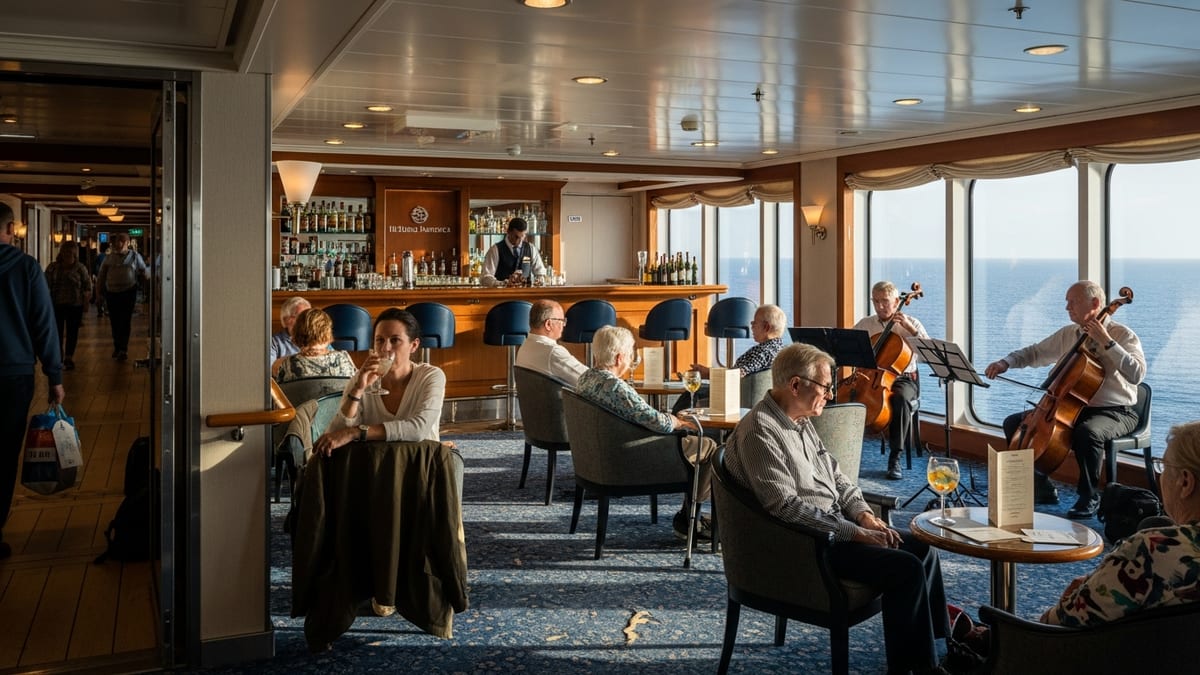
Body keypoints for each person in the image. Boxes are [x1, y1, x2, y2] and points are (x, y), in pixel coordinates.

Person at [724, 342, 949, 675]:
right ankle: (916, 668)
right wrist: (854, 533)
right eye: (825, 387)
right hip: (806, 545)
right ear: (795, 385)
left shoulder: (799, 420)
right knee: (906, 568)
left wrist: (864, 515)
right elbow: (785, 507)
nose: (831, 395)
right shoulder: (760, 431)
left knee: (922, 547)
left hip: (834, 527)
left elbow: (837, 476)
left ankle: (942, 647)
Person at [949, 421, 1200, 660]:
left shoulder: (1151, 551)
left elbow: (1059, 622)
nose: (1160, 475)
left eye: (1163, 466)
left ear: (1185, 482)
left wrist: (1073, 597)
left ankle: (986, 642)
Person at [984, 280, 1145, 519]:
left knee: (1087, 432)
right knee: (1014, 423)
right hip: (1073, 406)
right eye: (1067, 302)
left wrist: (1107, 342)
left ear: (1095, 303)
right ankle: (1041, 485)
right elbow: (1035, 352)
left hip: (1116, 410)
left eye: (1073, 302)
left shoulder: (1122, 335)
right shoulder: (1070, 334)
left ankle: (1089, 496)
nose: (1067, 308)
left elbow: (1137, 374)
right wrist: (1005, 362)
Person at [574, 325, 718, 541]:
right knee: (708, 447)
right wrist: (678, 422)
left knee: (697, 444)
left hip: (600, 455)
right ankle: (689, 519)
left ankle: (690, 516)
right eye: (630, 353)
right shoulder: (615, 386)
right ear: (620, 357)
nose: (631, 358)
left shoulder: (586, 378)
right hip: (631, 457)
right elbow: (656, 422)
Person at [0, 202, 65, 560]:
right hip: (13, 374)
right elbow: (43, 322)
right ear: (11, 229)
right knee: (4, 452)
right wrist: (54, 375)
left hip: (15, 373)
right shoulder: (25, 267)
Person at [315, 308, 446, 455]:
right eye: (380, 340)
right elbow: (335, 435)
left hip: (419, 460)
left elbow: (418, 429)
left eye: (395, 340)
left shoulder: (431, 376)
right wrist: (358, 390)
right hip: (376, 463)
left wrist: (356, 432)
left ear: (413, 345)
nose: (385, 348)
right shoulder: (361, 378)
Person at [852, 280, 930, 480]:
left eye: (885, 301)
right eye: (875, 301)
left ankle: (895, 457)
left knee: (899, 399)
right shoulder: (866, 324)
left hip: (905, 379)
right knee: (850, 396)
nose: (880, 306)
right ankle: (846, 451)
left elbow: (928, 355)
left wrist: (911, 330)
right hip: (874, 377)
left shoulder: (912, 323)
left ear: (896, 302)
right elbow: (850, 346)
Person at [673, 303, 786, 413]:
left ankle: (676, 422)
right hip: (742, 392)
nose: (751, 327)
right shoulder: (781, 349)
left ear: (766, 327)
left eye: (754, 323)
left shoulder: (763, 351)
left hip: (733, 395)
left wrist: (707, 373)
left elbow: (736, 375)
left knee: (691, 393)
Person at [96, 232, 149, 362]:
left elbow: (143, 271)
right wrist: (99, 293)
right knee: (114, 320)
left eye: (122, 241)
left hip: (128, 292)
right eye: (117, 241)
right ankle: (117, 346)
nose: (119, 244)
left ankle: (123, 348)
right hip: (112, 292)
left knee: (125, 320)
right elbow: (101, 276)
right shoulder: (109, 258)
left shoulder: (135, 256)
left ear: (127, 243)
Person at [273, 308, 358, 383]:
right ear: (328, 332)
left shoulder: (288, 364)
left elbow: (280, 394)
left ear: (296, 332)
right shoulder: (343, 358)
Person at [44, 241, 93, 371]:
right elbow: (45, 284)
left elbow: (87, 286)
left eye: (71, 252)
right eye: (66, 252)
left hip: (75, 305)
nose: (68, 255)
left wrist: (86, 301)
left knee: (72, 331)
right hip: (56, 304)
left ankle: (69, 356)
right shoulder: (53, 268)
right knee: (57, 332)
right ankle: (58, 356)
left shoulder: (80, 268)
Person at [514, 299, 587, 386]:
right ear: (548, 324)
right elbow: (590, 380)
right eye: (561, 321)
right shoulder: (553, 352)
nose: (563, 325)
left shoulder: (524, 346)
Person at [480, 217, 546, 287]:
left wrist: (539, 280)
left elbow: (541, 273)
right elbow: (485, 278)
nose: (520, 241)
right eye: (516, 237)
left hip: (526, 293)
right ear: (508, 232)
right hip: (502, 292)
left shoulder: (531, 249)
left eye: (522, 237)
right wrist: (502, 283)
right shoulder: (495, 250)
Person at [270, 296, 311, 368]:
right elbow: (268, 369)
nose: (306, 321)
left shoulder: (317, 337)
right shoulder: (274, 342)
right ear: (286, 320)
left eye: (309, 317)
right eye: (301, 317)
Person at [91, 242, 109, 317]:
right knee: (106, 294)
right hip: (106, 278)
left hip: (99, 278)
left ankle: (100, 311)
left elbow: (95, 268)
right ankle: (106, 310)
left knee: (99, 294)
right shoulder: (107, 257)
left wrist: (95, 276)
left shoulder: (98, 257)